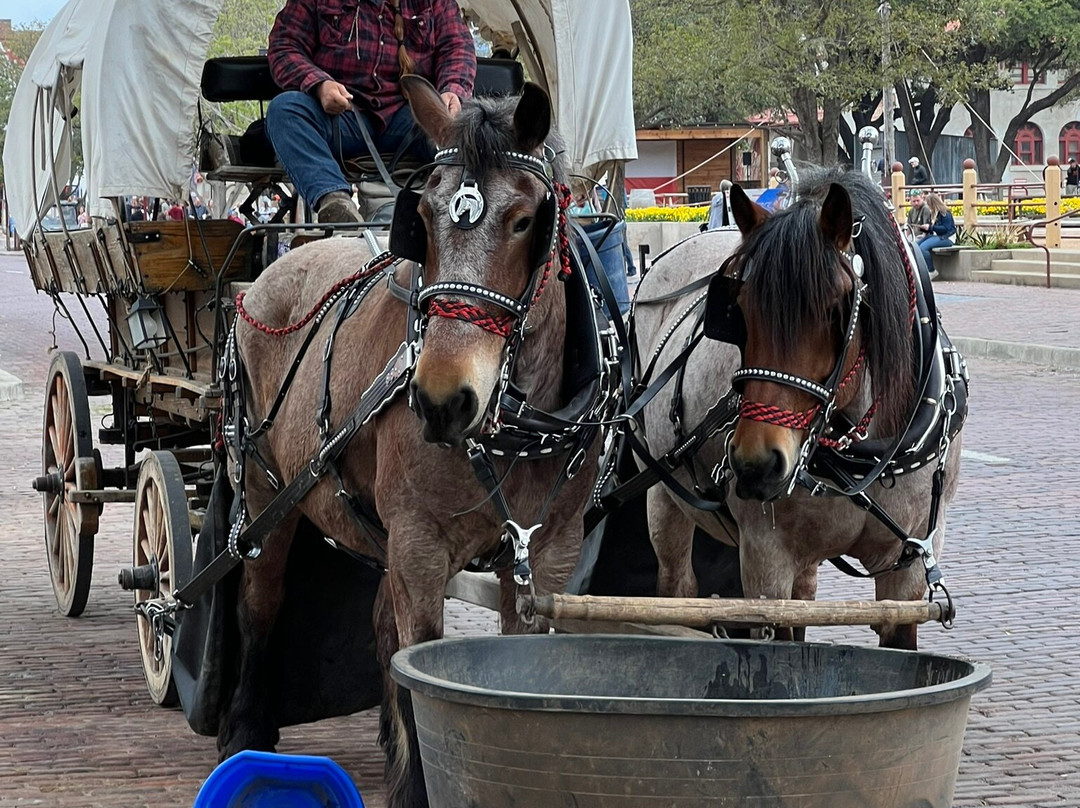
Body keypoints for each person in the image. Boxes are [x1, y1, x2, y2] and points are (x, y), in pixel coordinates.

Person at [266, 0, 477, 224]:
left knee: (465, 130)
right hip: (342, 117)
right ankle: (334, 201)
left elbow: (457, 49)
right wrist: (320, 85)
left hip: (411, 119)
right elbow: (285, 47)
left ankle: (459, 212)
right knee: (285, 110)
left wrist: (452, 91)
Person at [918, 192, 956, 280]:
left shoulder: (944, 213)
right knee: (916, 246)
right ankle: (921, 270)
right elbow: (932, 229)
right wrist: (924, 229)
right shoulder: (933, 213)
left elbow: (945, 229)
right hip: (937, 236)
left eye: (928, 204)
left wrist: (931, 227)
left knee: (923, 248)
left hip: (946, 238)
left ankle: (931, 270)